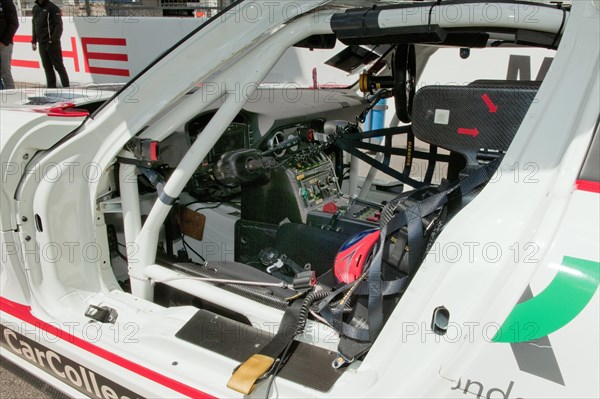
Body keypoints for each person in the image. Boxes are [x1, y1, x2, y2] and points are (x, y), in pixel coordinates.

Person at [31, 0, 69, 88]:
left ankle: (67, 88)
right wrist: (34, 40)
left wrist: (53, 40)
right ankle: (51, 89)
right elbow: (34, 25)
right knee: (47, 68)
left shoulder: (53, 8)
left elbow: (59, 25)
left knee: (59, 67)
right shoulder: (35, 8)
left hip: (52, 43)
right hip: (41, 43)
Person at [0, 0, 19, 90]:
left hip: (4, 44)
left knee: (5, 73)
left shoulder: (6, 3)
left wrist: (4, 41)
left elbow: (14, 23)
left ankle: (11, 96)